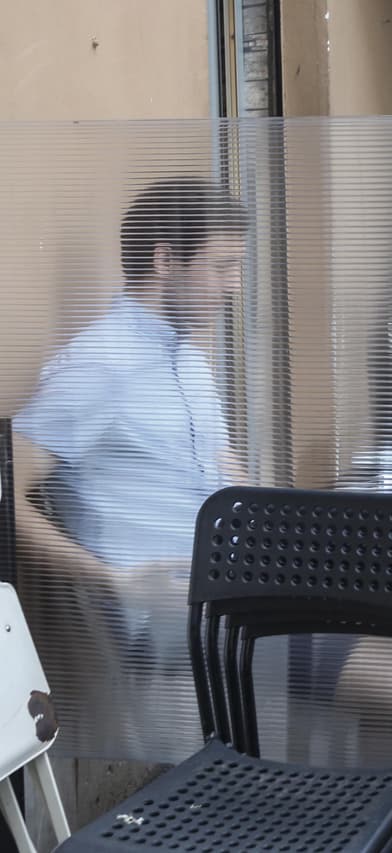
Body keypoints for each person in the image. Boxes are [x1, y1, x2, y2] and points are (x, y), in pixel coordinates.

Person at [13, 177, 248, 752]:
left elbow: (231, 475)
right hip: (179, 617)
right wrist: (116, 581)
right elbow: (6, 492)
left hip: (238, 590)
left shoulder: (187, 358)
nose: (235, 286)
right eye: (222, 267)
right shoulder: (101, 365)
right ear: (165, 259)